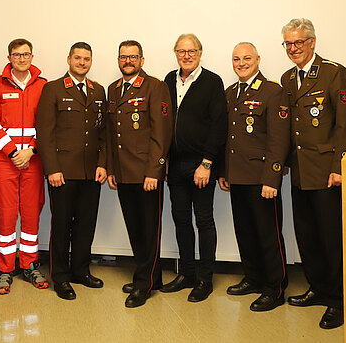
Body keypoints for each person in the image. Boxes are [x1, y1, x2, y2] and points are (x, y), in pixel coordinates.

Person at [280, 18, 346, 330]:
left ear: (312, 42)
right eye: (288, 43)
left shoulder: (334, 73)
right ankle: (318, 287)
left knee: (330, 238)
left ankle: (338, 299)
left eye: (298, 42)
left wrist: (340, 167)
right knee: (307, 235)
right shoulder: (288, 78)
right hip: (300, 171)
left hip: (327, 172)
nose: (293, 48)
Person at [218, 42, 290, 313]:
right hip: (237, 176)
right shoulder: (230, 93)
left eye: (246, 58)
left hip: (262, 179)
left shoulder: (272, 92)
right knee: (245, 232)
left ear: (258, 60)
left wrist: (272, 179)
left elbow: (278, 140)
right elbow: (228, 138)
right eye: (236, 59)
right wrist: (224, 171)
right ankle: (253, 277)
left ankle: (274, 288)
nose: (241, 63)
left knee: (268, 235)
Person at [36, 42, 107, 301]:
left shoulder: (98, 90)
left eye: (86, 59)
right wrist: (52, 169)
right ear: (69, 59)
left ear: (91, 61)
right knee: (62, 226)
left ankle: (81, 271)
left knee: (86, 225)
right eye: (78, 58)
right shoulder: (53, 89)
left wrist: (102, 163)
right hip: (62, 173)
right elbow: (44, 133)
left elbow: (103, 131)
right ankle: (61, 277)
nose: (82, 62)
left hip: (91, 172)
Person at [107, 40, 172, 308]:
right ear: (118, 60)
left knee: (149, 230)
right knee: (134, 228)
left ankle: (143, 284)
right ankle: (151, 277)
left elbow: (161, 133)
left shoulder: (155, 87)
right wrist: (112, 168)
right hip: (123, 173)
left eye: (133, 57)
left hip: (147, 174)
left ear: (142, 60)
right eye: (124, 57)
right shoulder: (113, 89)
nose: (128, 61)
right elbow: (111, 134)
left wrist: (155, 170)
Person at [163, 33, 227, 302]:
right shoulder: (169, 80)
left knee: (203, 221)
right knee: (180, 220)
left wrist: (207, 163)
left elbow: (219, 125)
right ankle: (187, 273)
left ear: (200, 53)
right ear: (176, 53)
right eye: (181, 51)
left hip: (201, 165)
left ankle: (205, 279)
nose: (186, 56)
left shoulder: (212, 82)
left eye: (191, 51)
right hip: (176, 165)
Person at [0, 38, 49, 294]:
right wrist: (14, 153)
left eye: (25, 54)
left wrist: (30, 151)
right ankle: (5, 269)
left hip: (33, 160)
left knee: (32, 214)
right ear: (9, 57)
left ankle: (30, 265)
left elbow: (47, 125)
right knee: (6, 214)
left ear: (32, 56)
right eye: (16, 54)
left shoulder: (44, 86)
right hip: (5, 161)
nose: (21, 59)